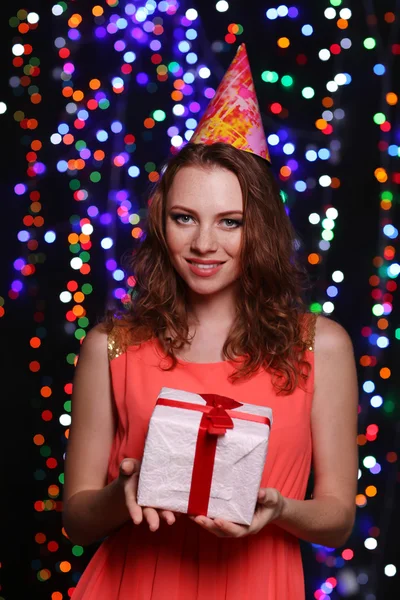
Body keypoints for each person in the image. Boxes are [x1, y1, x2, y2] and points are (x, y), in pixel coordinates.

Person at [63, 44, 358, 599]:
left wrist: (278, 509)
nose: (203, 244)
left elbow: (338, 517)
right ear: (162, 222)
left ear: (261, 230)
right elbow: (76, 519)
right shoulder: (112, 346)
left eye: (230, 222)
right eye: (184, 218)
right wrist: (122, 491)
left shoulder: (321, 345)